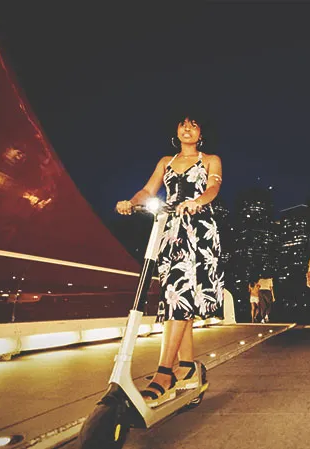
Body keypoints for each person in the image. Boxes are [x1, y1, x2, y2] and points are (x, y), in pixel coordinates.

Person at [116, 112, 224, 407]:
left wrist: (196, 201)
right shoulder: (166, 162)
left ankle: (165, 372)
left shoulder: (211, 159)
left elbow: (213, 187)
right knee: (175, 294)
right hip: (171, 230)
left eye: (193, 124)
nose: (187, 128)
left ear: (201, 132)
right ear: (176, 131)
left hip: (199, 230)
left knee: (183, 296)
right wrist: (132, 202)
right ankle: (186, 366)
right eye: (182, 124)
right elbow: (147, 191)